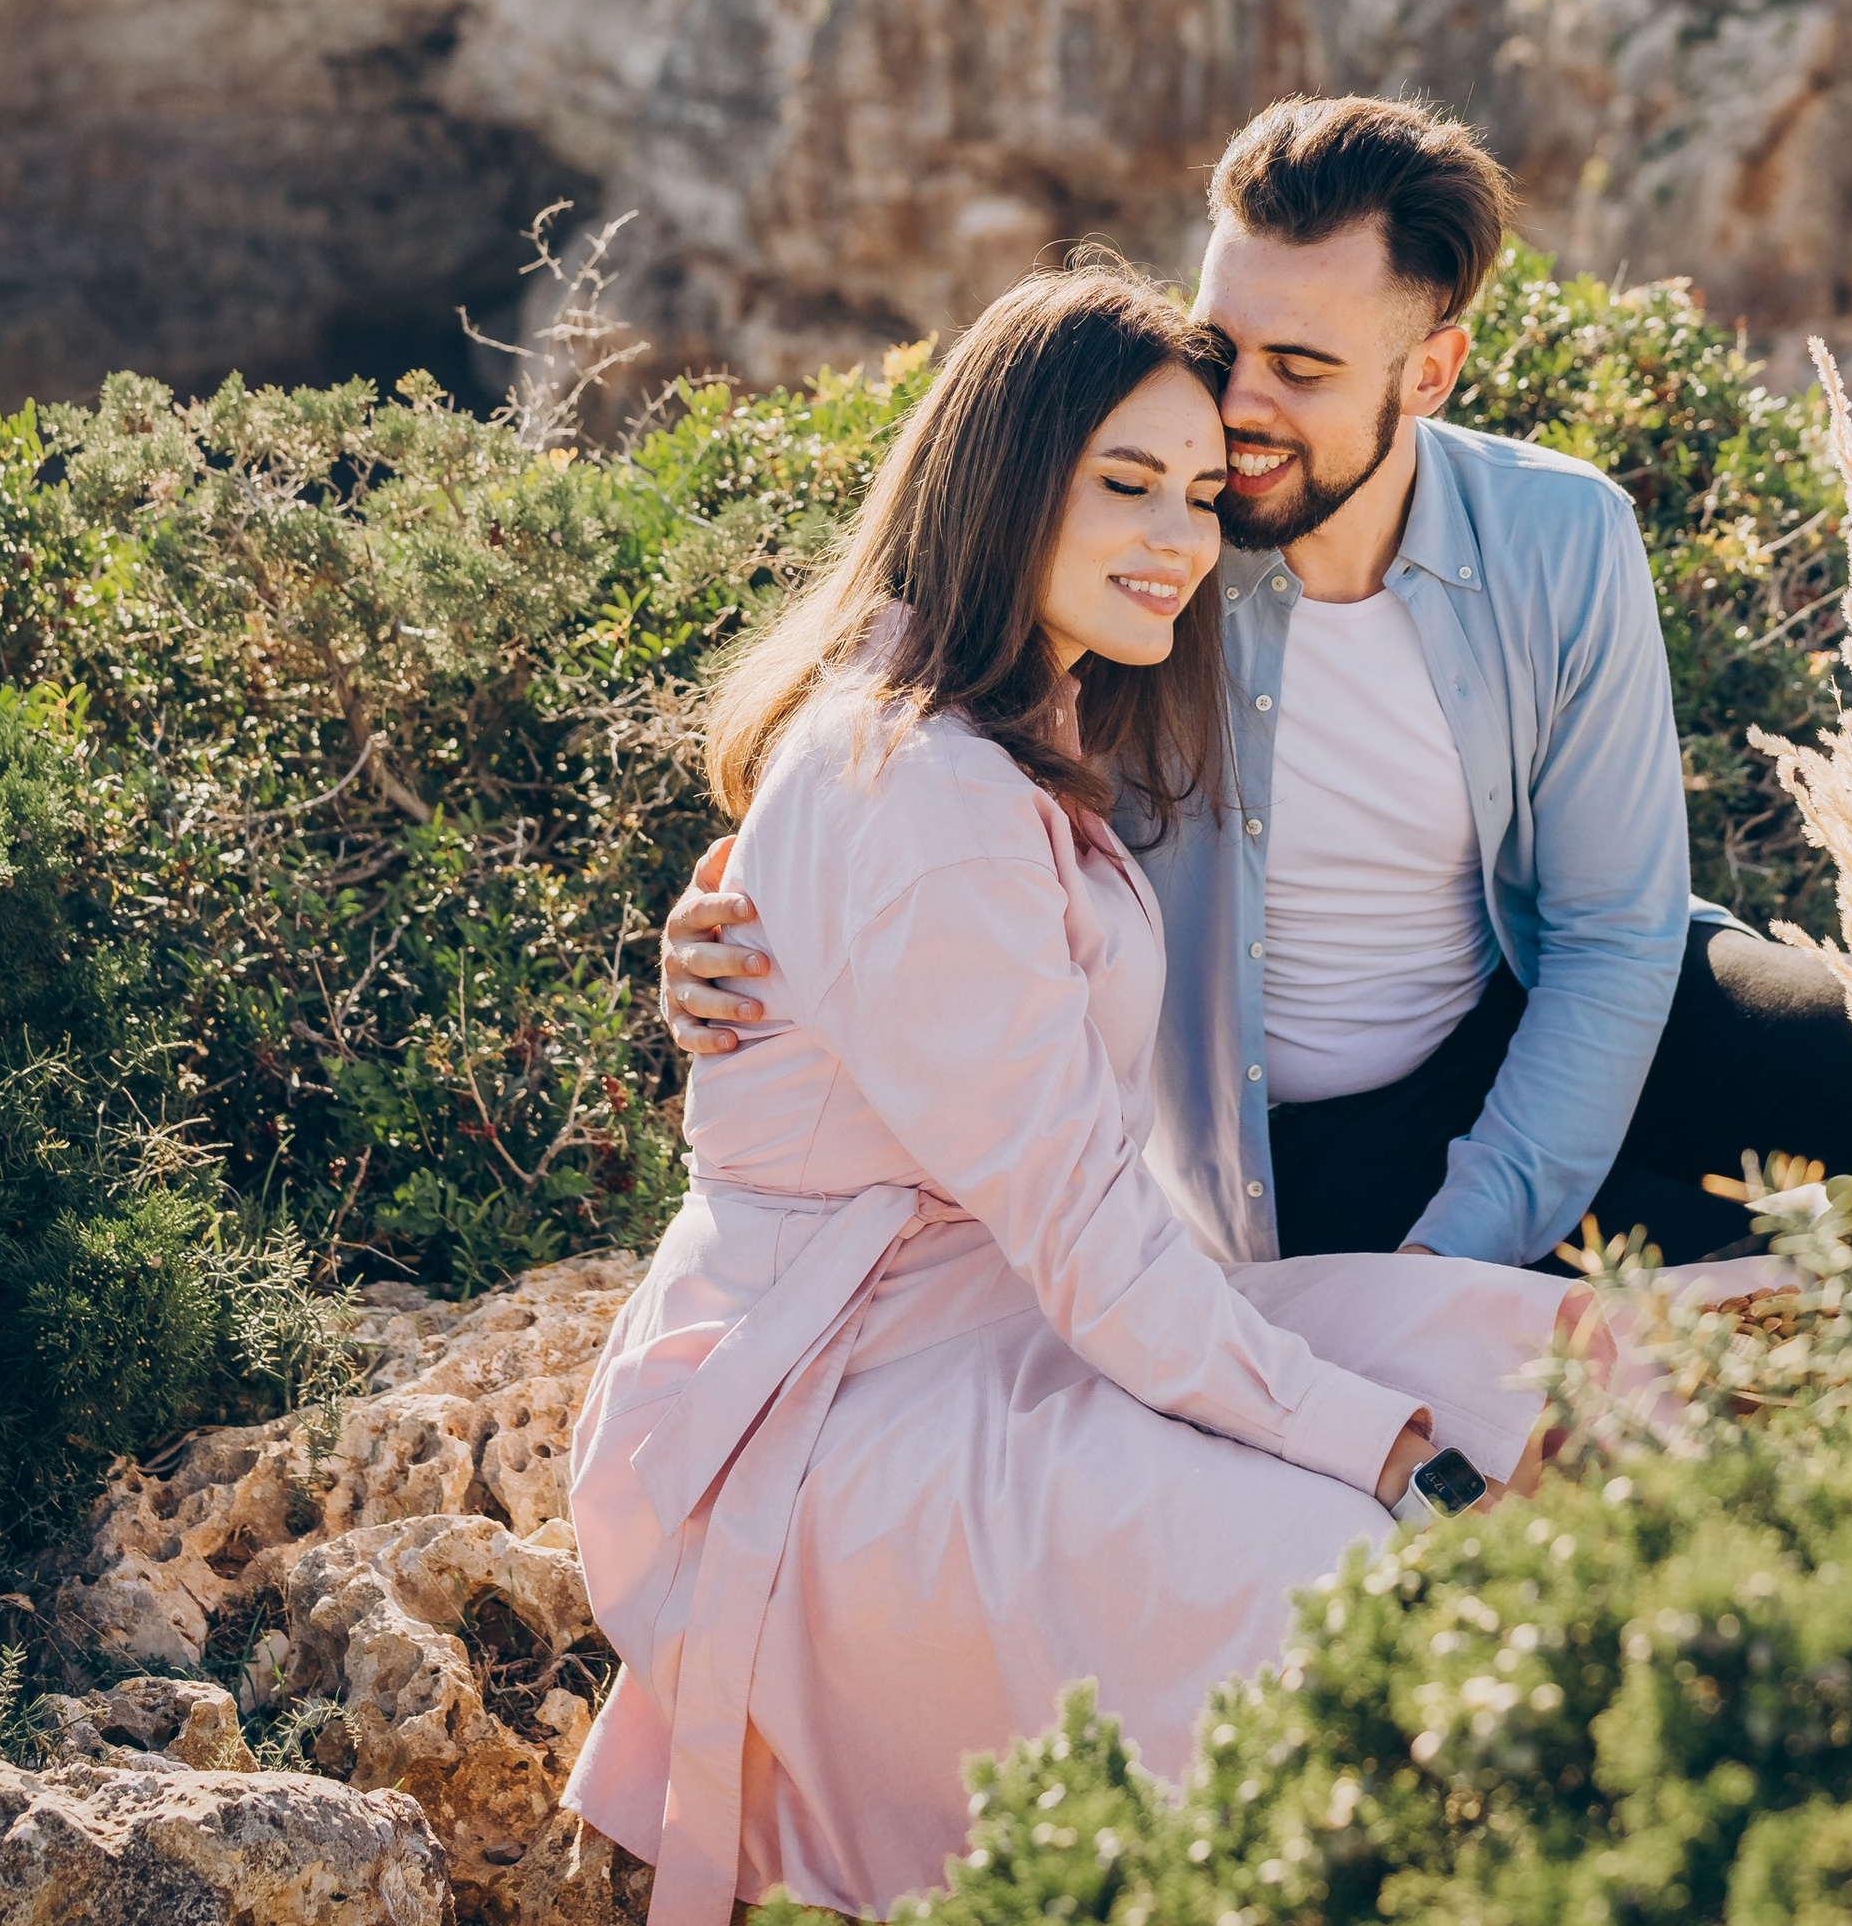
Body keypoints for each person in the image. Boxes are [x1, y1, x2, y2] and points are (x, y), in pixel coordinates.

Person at [568, 266, 1589, 1926]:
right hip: (834, 1417)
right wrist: (1371, 1445)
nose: (1179, 538)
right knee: (1353, 1566)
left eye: (1199, 495)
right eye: (1126, 483)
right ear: (1005, 479)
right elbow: (1079, 1225)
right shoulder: (915, 781)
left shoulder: (1005, 732)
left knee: (1525, 1368)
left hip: (1005, 1329)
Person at [666, 96, 1852, 1279]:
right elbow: (914, 730)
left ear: (1428, 373)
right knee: (1707, 1303)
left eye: (1303, 369)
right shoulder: (1148, 560)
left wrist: (1472, 1231)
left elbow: (1607, 931)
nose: (1240, 410)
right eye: (1224, 347)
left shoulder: (1558, 531)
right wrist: (758, 909)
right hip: (1302, 1137)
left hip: (1537, 995)